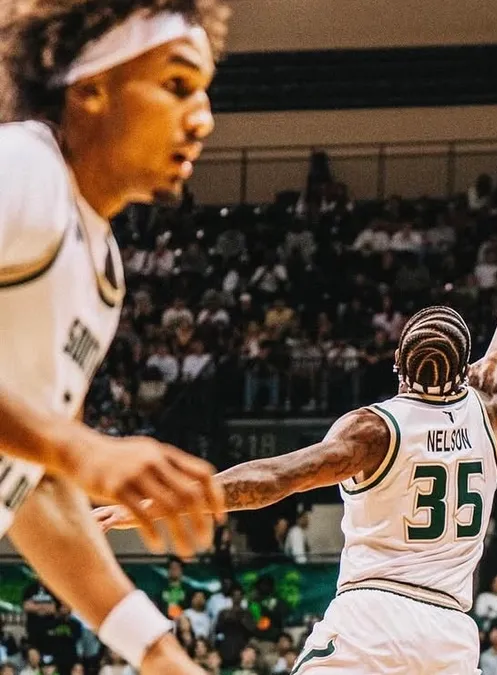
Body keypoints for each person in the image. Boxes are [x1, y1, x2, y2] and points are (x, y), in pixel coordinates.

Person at [96, 146, 497, 674]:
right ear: (466, 370)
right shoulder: (492, 400)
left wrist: (158, 503)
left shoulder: (371, 431)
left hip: (373, 616)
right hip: (450, 629)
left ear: (396, 365)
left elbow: (271, 480)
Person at [0, 2, 233, 672]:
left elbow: (35, 484)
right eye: (178, 85)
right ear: (92, 89)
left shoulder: (100, 267)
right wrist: (84, 450)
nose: (204, 116)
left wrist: (156, 650)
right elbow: (61, 454)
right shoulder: (24, 170)